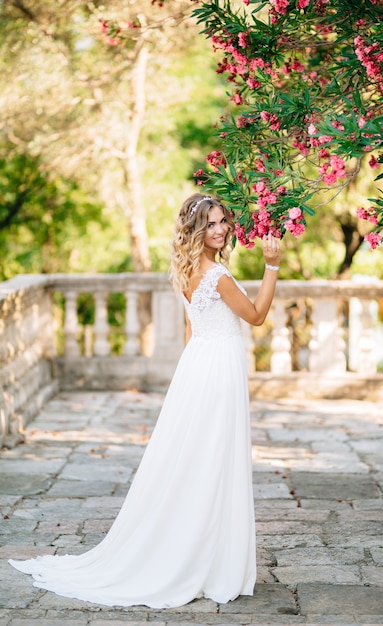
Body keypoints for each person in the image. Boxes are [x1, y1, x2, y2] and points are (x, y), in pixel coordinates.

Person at [9, 192, 281, 609]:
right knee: (213, 458)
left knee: (200, 457)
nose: (221, 228)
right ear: (195, 229)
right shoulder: (217, 276)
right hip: (217, 370)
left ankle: (202, 553)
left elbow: (194, 331)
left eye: (223, 220)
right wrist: (272, 266)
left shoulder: (190, 268)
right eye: (210, 223)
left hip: (199, 366)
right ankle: (206, 560)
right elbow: (257, 315)